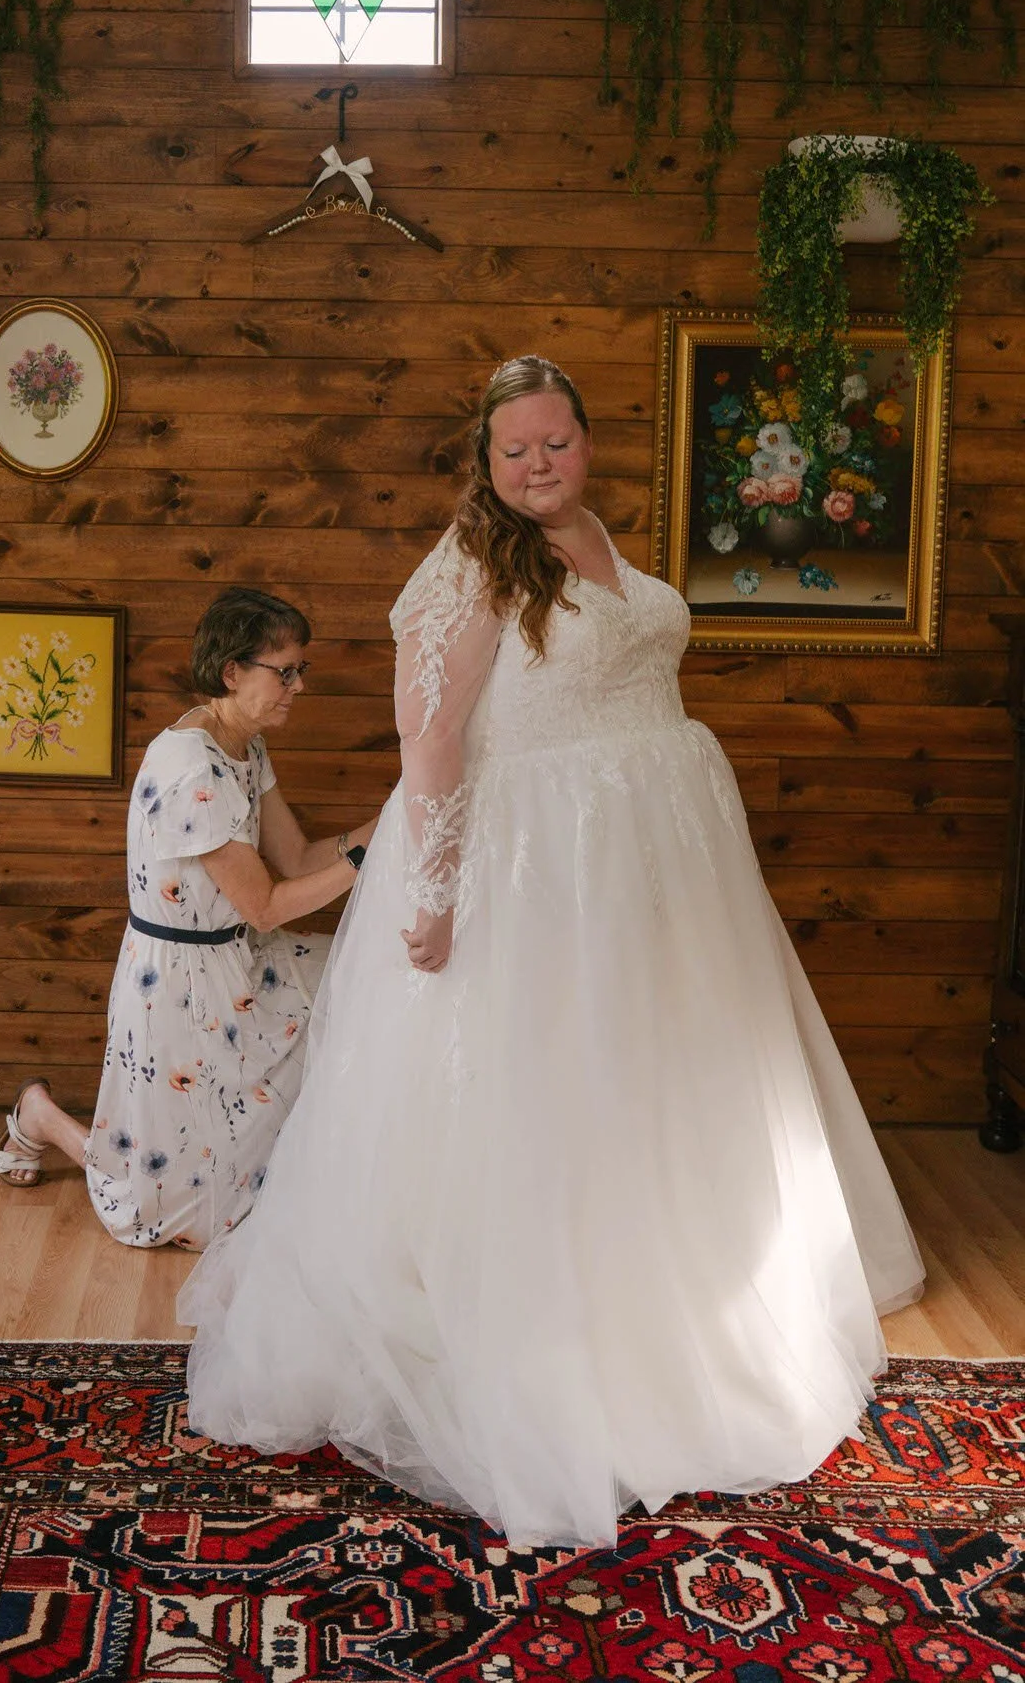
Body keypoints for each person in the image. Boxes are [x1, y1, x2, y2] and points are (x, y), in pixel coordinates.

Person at [179, 355, 925, 1550]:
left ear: (587, 443)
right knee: (544, 1097)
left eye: (555, 444)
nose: (537, 465)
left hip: (654, 873)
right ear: (485, 461)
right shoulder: (469, 565)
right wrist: (426, 893)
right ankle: (546, 1346)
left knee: (660, 1090)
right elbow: (429, 742)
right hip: (539, 871)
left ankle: (678, 1311)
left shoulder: (597, 542)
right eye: (514, 449)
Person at [0, 586, 379, 1247]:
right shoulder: (190, 769)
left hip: (235, 963)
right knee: (165, 1220)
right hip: (177, 986)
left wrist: (392, 823)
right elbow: (263, 906)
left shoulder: (245, 745)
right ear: (233, 671)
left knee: (362, 984)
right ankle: (43, 1117)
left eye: (300, 670)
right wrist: (374, 855)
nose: (298, 685)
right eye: (284, 671)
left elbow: (295, 855)